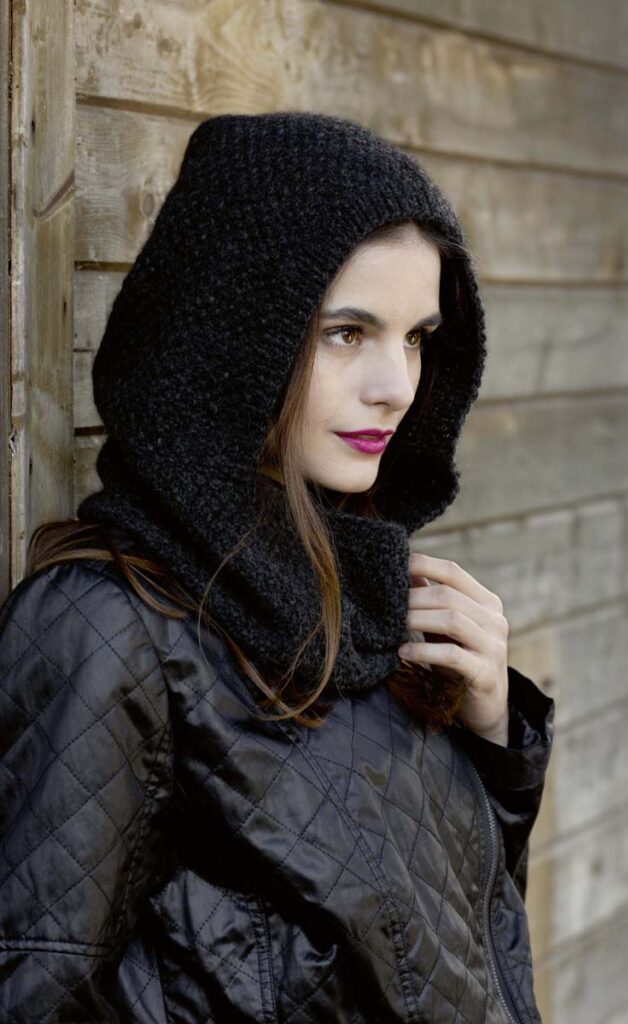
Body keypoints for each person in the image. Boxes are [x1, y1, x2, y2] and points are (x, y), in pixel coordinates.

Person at [0, 111, 554, 1023]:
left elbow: (442, 959)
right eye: (347, 332)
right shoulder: (104, 627)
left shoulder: (366, 598)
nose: (396, 386)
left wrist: (493, 749)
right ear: (232, 338)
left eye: (415, 337)